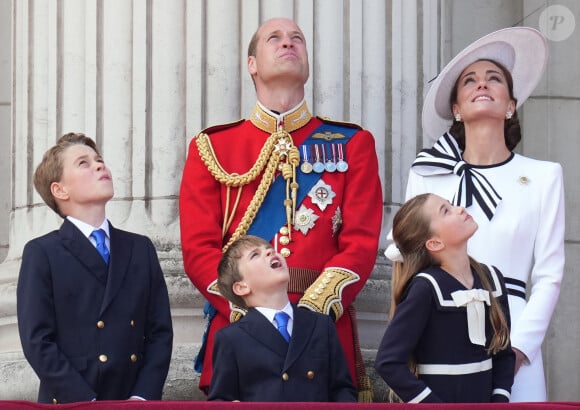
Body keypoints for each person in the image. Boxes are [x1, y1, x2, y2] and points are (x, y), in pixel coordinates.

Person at [179, 17, 382, 399]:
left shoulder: (352, 143)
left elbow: (360, 241)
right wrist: (248, 312)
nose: (288, 43)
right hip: (241, 331)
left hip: (322, 330)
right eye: (275, 38)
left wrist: (310, 314)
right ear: (252, 64)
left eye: (297, 39)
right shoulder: (212, 148)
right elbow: (198, 250)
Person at [405, 27, 565, 401]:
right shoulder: (427, 174)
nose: (482, 84)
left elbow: (549, 273)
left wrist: (520, 348)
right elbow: (408, 259)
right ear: (456, 109)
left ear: (510, 104)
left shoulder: (544, 176)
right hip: (441, 324)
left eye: (494, 79)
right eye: (470, 80)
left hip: (513, 328)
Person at [17, 133, 174, 404]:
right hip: (73, 402)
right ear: (60, 190)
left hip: (131, 400)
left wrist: (142, 397)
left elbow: (160, 332)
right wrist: (83, 401)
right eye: (84, 163)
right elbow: (37, 340)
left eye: (99, 160)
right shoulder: (42, 252)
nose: (100, 166)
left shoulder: (140, 248)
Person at [376, 193, 515, 403]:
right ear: (434, 243)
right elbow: (388, 362)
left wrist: (499, 399)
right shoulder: (426, 288)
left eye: (450, 204)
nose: (459, 208)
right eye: (446, 210)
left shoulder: (492, 279)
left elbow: (503, 353)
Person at [208, 235, 357, 402]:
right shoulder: (231, 338)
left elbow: (341, 389)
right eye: (255, 255)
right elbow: (221, 399)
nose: (270, 251)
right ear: (242, 287)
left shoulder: (321, 325)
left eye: (270, 249)